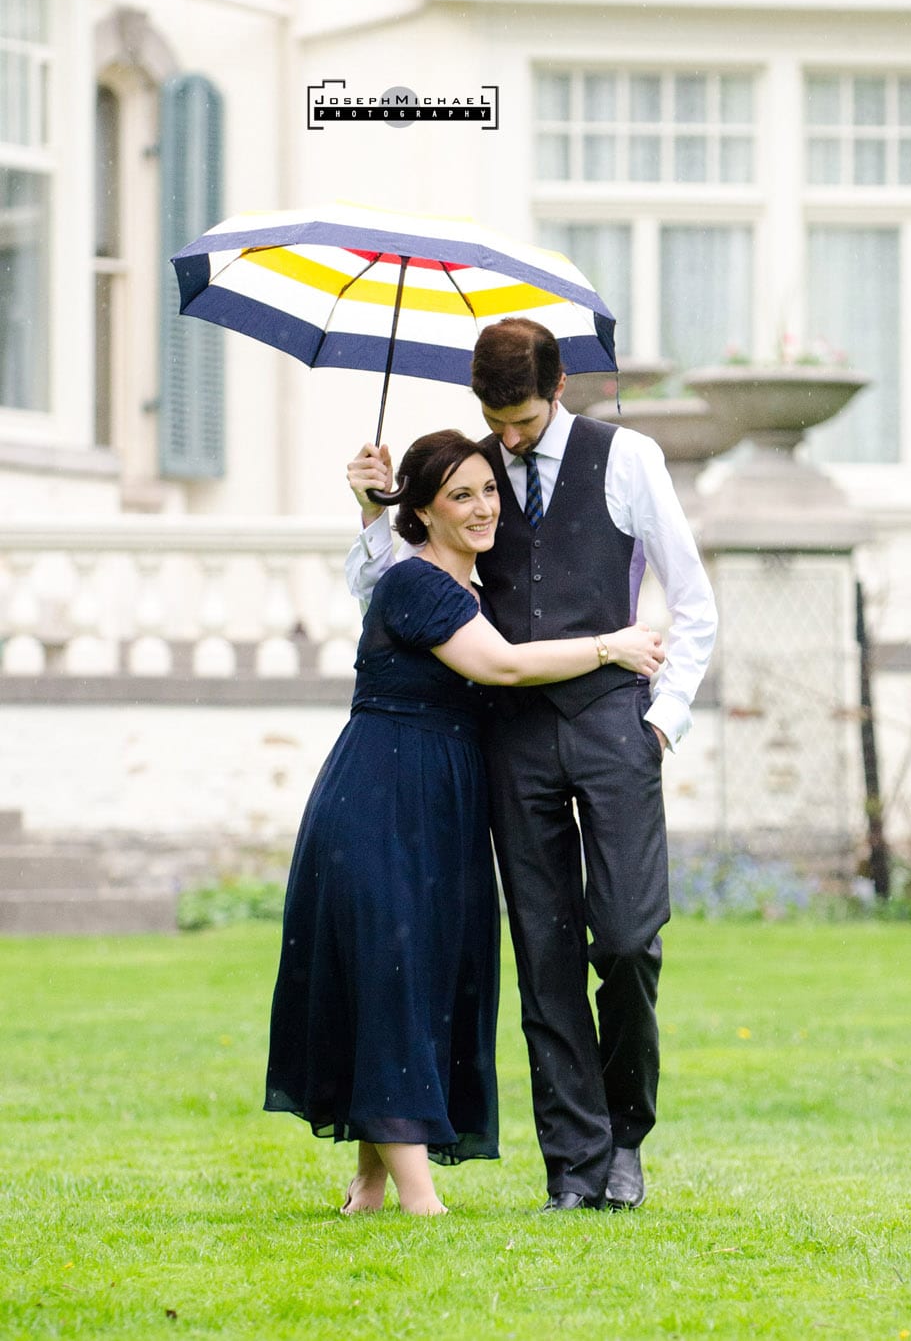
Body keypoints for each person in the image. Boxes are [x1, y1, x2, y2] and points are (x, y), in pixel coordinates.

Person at [346, 318, 718, 1212]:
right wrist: (370, 514)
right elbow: (396, 589)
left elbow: (694, 600)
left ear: (558, 389)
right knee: (544, 953)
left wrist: (662, 723)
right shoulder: (465, 476)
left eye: (520, 419)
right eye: (491, 416)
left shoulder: (627, 458)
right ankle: (577, 1167)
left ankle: (626, 1133)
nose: (506, 439)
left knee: (627, 940)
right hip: (510, 739)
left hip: (615, 728)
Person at [265, 429, 664, 1217]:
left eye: (490, 490)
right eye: (462, 495)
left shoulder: (468, 592)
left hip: (440, 803)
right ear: (422, 511)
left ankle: (370, 1188)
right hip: (384, 797)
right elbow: (504, 667)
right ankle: (421, 1200)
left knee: (415, 975)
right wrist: (610, 646)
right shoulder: (420, 586)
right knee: (395, 977)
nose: (485, 507)